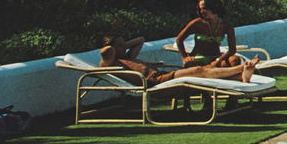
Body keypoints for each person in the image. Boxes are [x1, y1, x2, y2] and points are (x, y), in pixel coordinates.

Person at [101, 34, 257, 87]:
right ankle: (241, 69)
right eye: (120, 46)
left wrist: (122, 44)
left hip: (162, 76)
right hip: (154, 82)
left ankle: (240, 77)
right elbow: (106, 51)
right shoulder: (108, 62)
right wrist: (115, 45)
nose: (125, 48)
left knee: (199, 73)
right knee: (198, 70)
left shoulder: (127, 58)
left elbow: (140, 40)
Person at [173, 0, 241, 66]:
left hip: (216, 58)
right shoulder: (197, 23)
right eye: (200, 9)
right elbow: (179, 40)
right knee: (190, 64)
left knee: (235, 60)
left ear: (214, 7)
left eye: (204, 8)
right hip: (198, 59)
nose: (202, 11)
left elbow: (232, 50)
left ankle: (212, 68)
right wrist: (185, 57)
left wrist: (218, 60)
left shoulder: (226, 25)